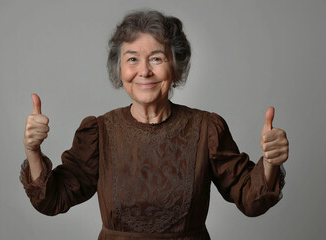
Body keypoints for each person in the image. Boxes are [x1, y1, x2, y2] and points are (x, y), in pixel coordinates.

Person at [20, 10, 288, 240]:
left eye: (157, 58)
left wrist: (271, 162)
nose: (144, 71)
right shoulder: (99, 133)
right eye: (132, 59)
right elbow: (53, 199)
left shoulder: (206, 129)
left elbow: (252, 200)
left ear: (176, 67)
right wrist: (33, 150)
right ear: (119, 69)